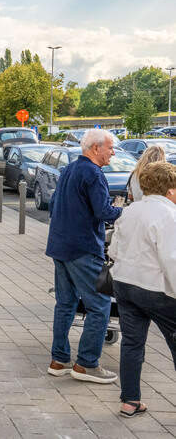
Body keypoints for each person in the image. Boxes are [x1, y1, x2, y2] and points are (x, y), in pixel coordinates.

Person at [46, 128, 123, 384]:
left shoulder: (69, 170)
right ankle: (87, 364)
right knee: (100, 306)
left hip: (60, 246)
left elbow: (55, 204)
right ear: (95, 148)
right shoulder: (93, 173)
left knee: (65, 304)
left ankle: (59, 360)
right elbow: (103, 212)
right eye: (110, 148)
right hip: (83, 248)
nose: (113, 152)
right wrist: (124, 213)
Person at [108, 161, 176, 418]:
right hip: (155, 288)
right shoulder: (169, 215)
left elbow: (114, 250)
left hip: (125, 284)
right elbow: (172, 259)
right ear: (170, 190)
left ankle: (130, 400)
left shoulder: (131, 211)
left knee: (132, 343)